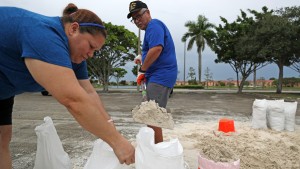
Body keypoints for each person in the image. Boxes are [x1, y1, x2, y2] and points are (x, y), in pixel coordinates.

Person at [0, 4, 135, 168]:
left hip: (4, 88)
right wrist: (117, 143)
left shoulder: (75, 56)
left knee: (2, 137)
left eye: (96, 51)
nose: (91, 55)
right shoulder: (44, 35)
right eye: (91, 46)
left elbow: (89, 95)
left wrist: (112, 130)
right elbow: (73, 100)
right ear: (73, 29)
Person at [128, 1, 178, 144]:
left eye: (139, 16)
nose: (137, 21)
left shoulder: (154, 25)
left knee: (152, 116)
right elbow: (153, 50)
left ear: (148, 12)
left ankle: (157, 151)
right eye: (134, 19)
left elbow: (156, 49)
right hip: (157, 76)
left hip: (160, 76)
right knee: (151, 115)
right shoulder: (151, 29)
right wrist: (142, 58)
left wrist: (142, 70)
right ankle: (156, 147)